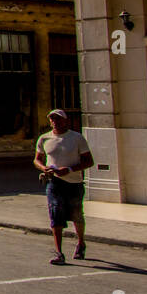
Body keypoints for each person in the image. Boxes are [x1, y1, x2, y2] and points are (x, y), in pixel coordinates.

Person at [34, 109, 95, 265]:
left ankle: (81, 242)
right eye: (52, 119)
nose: (55, 121)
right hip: (53, 182)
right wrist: (43, 168)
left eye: (58, 119)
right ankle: (59, 252)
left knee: (76, 214)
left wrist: (68, 170)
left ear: (65, 121)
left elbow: (89, 161)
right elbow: (37, 159)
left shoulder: (77, 138)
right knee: (55, 213)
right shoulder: (44, 138)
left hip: (73, 182)